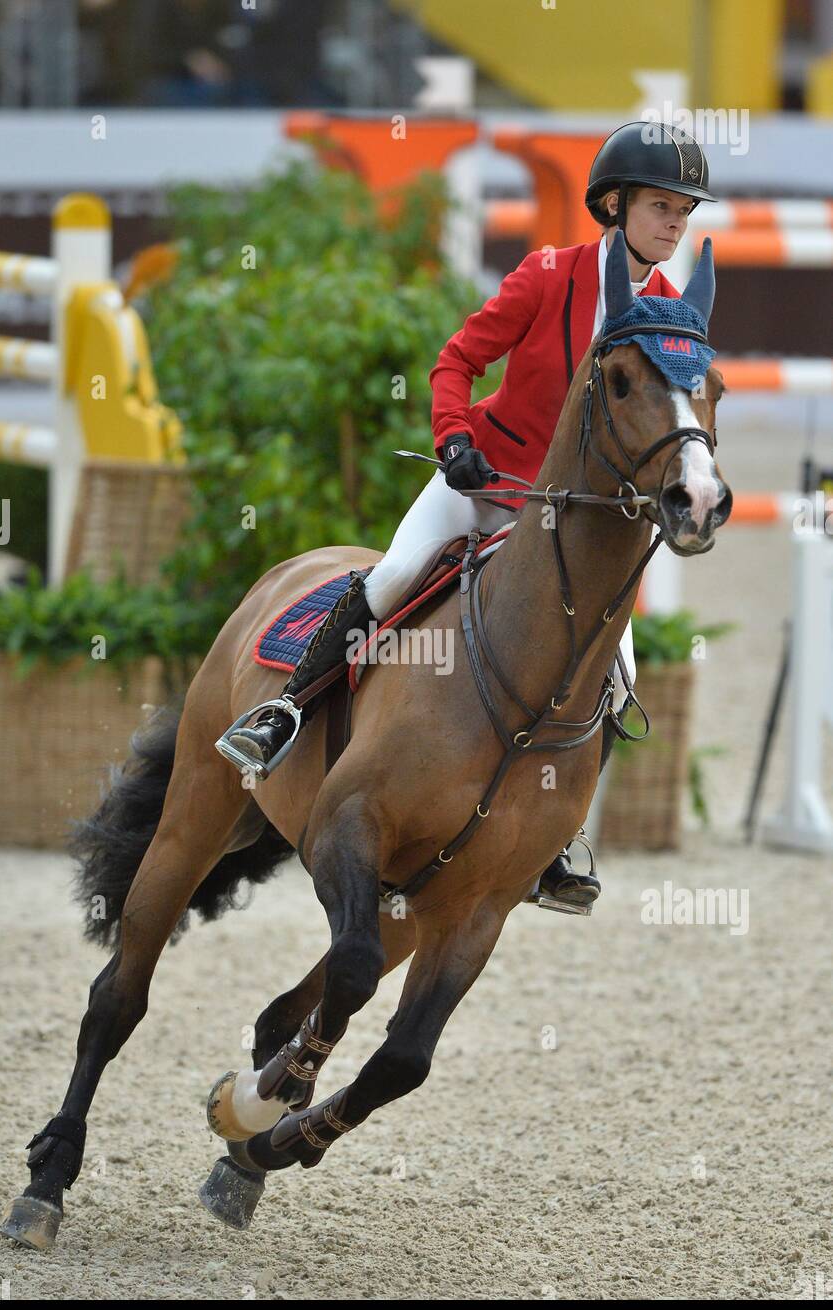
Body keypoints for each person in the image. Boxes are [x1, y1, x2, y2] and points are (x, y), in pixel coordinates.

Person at [222, 121, 716, 912]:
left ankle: (554, 842)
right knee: (390, 580)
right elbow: (457, 360)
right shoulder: (548, 275)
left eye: (684, 211)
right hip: (485, 478)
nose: (674, 224)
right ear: (614, 204)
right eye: (662, 206)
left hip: (569, 522)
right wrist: (453, 440)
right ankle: (281, 716)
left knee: (612, 671)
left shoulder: (666, 312)